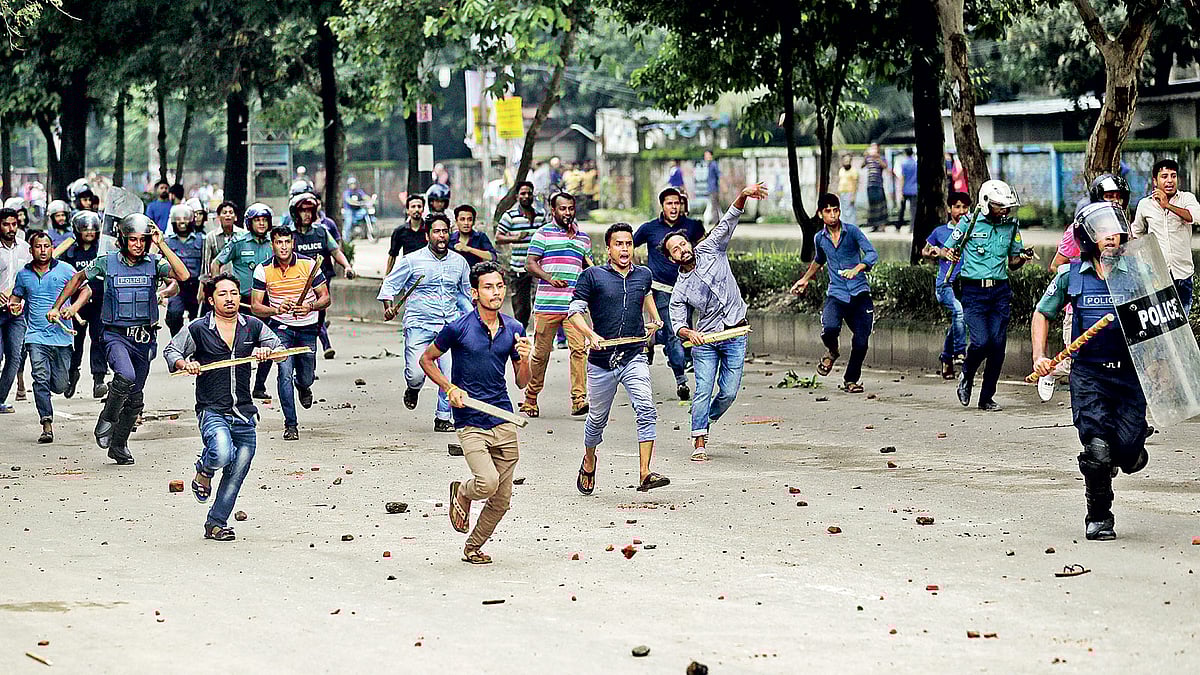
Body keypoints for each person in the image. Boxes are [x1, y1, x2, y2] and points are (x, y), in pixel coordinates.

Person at [1031, 201, 1147, 541]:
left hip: (1129, 375)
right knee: (1097, 451)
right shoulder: (1071, 275)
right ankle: (1099, 517)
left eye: (1115, 231)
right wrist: (1041, 355)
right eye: (1103, 233)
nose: (1112, 238)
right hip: (1090, 376)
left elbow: (1161, 321)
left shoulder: (1138, 273)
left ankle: (1129, 449)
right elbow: (1042, 314)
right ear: (1087, 238)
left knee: (1126, 452)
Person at [49, 213, 191, 465]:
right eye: (133, 239)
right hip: (115, 335)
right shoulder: (106, 262)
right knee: (125, 376)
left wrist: (161, 243)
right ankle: (107, 416)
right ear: (123, 239)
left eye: (142, 240)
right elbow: (77, 280)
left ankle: (119, 445)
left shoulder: (154, 262)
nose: (138, 244)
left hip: (144, 338)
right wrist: (58, 305)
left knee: (135, 398)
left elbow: (183, 276)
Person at [420, 261, 531, 565]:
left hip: (503, 417)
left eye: (499, 286)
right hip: (470, 421)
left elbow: (522, 381)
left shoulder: (514, 329)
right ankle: (463, 493)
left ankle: (473, 547)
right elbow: (427, 359)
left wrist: (525, 360)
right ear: (474, 293)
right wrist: (449, 387)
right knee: (487, 483)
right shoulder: (459, 328)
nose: (495, 292)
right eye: (488, 287)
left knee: (502, 500)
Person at [165, 273, 282, 542]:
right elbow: (172, 351)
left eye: (233, 293)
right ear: (210, 299)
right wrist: (186, 364)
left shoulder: (251, 326)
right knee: (220, 453)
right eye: (222, 294)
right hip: (212, 409)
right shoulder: (198, 329)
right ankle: (204, 470)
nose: (229, 298)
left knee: (235, 474)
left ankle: (216, 523)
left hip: (244, 413)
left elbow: (278, 346)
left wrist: (267, 352)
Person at [664, 184, 769, 461]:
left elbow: (728, 221)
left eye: (683, 244)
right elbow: (677, 321)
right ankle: (699, 438)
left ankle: (702, 418)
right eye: (675, 249)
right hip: (706, 341)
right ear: (671, 258)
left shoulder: (711, 248)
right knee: (703, 389)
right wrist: (690, 333)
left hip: (736, 331)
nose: (681, 250)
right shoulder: (680, 288)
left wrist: (744, 195)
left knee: (729, 393)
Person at [568, 223, 671, 494]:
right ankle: (589, 459)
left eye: (628, 244)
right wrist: (590, 334)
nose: (624, 249)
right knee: (597, 421)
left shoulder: (643, 274)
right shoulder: (592, 276)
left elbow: (646, 294)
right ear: (609, 248)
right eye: (618, 244)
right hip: (602, 362)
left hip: (633, 356)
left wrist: (655, 318)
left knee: (647, 409)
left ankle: (645, 473)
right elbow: (575, 311)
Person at [1040, 174, 1131, 399]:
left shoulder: (1123, 227)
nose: (1114, 202)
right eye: (1109, 196)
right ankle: (1052, 371)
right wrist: (1083, 279)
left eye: (1119, 197)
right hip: (1081, 307)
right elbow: (1056, 265)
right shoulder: (1078, 229)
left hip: (1117, 304)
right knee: (1080, 361)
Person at [378, 214, 472, 432]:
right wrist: (388, 307)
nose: (441, 236)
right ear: (427, 234)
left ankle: (442, 417)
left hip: (448, 327)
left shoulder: (459, 263)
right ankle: (413, 388)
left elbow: (468, 294)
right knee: (416, 373)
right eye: (436, 232)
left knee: (449, 374)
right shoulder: (412, 260)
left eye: (445, 231)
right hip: (418, 325)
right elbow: (390, 285)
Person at [947, 179, 1033, 411]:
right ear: (986, 203)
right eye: (999, 206)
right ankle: (966, 374)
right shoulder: (969, 222)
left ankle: (986, 397)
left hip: (1000, 291)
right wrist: (950, 255)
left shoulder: (1011, 226)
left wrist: (1022, 258)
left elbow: (1013, 262)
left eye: (1006, 206)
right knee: (981, 341)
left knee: (997, 345)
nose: (1004, 210)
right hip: (973, 291)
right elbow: (948, 248)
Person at [791, 194, 879, 393]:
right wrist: (805, 279)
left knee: (861, 341)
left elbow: (872, 254)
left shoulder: (853, 232)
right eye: (828, 211)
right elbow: (819, 260)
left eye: (836, 210)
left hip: (860, 293)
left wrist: (858, 268)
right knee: (829, 329)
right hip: (837, 294)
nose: (833, 215)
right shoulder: (819, 239)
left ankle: (851, 380)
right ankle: (833, 351)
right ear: (821, 214)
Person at [251, 227, 330, 441]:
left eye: (287, 242)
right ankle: (291, 424)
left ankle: (303, 386)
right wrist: (276, 309)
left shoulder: (309, 264)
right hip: (280, 328)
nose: (283, 246)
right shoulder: (263, 270)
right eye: (279, 242)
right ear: (272, 245)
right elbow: (256, 306)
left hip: (307, 328)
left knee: (306, 375)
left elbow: (326, 298)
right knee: (284, 372)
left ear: (292, 243)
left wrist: (311, 306)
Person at [8, 231, 85, 442]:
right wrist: (14, 307)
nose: (43, 250)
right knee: (40, 378)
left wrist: (74, 307)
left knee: (60, 385)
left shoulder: (66, 270)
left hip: (62, 336)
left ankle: (67, 378)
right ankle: (46, 423)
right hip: (35, 336)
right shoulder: (23, 275)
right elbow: (16, 298)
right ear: (31, 250)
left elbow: (86, 291)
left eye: (46, 246)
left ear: (52, 248)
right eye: (38, 247)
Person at [522, 192, 592, 418]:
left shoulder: (583, 238)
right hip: (547, 304)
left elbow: (588, 267)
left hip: (574, 307)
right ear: (553, 211)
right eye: (563, 208)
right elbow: (529, 264)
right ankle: (531, 398)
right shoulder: (542, 234)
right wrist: (549, 277)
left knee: (579, 350)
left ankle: (579, 399)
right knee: (541, 354)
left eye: (571, 208)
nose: (568, 212)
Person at [633, 188, 705, 400]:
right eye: (669, 204)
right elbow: (632, 245)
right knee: (675, 331)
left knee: (687, 328)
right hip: (662, 289)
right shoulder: (650, 228)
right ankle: (681, 379)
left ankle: (655, 341)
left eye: (676, 203)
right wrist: (639, 268)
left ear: (682, 205)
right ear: (662, 206)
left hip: (689, 288)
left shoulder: (692, 226)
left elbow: (704, 247)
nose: (673, 207)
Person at [211, 203, 275, 398]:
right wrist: (218, 288)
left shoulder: (274, 243)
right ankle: (241, 390)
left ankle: (260, 386)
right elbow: (217, 263)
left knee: (268, 345)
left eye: (265, 220)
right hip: (244, 303)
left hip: (267, 302)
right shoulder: (239, 242)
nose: (262, 224)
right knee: (243, 347)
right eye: (257, 220)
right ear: (249, 223)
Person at [287, 192, 355, 360]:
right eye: (303, 211)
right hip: (296, 286)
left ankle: (309, 360)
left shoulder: (321, 232)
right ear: (296, 213)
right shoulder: (288, 235)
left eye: (310, 211)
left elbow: (335, 250)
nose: (307, 214)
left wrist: (347, 266)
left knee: (318, 318)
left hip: (320, 285)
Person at [58, 211, 115, 399]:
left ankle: (98, 379)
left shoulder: (102, 250)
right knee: (75, 342)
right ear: (77, 230)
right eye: (85, 229)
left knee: (99, 339)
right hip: (76, 306)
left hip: (100, 302)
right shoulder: (70, 252)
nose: (89, 232)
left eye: (92, 229)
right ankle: (71, 374)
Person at [1131, 158, 1199, 315]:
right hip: (1156, 276)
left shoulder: (1187, 199)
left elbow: (1194, 217)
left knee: (1183, 323)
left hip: (1183, 274)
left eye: (1173, 176)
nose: (1169, 180)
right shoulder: (1144, 204)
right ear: (1155, 181)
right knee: (1160, 323)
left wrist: (1167, 205)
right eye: (1164, 176)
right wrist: (1144, 256)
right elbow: (1137, 232)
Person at [921, 191, 970, 380]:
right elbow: (925, 250)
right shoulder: (940, 231)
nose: (961, 211)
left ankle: (945, 358)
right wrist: (937, 252)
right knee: (958, 312)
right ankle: (959, 353)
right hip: (945, 284)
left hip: (965, 284)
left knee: (958, 320)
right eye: (957, 207)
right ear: (949, 209)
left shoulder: (971, 231)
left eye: (965, 207)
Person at [494, 182, 546, 329]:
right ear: (517, 196)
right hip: (519, 268)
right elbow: (498, 238)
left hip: (538, 267)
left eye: (529, 193)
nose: (526, 196)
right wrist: (515, 238)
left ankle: (540, 335)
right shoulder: (510, 216)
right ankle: (520, 336)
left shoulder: (540, 215)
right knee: (521, 306)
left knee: (540, 302)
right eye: (523, 193)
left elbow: (547, 235)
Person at [0, 208, 32, 414]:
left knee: (15, 357)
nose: (11, 229)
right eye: (6, 224)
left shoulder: (25, 248)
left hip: (17, 312)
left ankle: (0, 398)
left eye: (14, 224)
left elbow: (33, 275)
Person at [165, 204, 205, 337]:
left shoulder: (202, 240)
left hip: (196, 286)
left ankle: (196, 349)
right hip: (177, 287)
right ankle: (177, 343)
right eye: (178, 219)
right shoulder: (167, 242)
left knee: (198, 320)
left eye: (185, 218)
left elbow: (206, 263)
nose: (182, 222)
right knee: (174, 314)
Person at [386, 195, 427, 275]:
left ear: (423, 209)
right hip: (408, 271)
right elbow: (392, 255)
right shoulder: (400, 231)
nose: (416, 209)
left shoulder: (429, 230)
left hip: (426, 271)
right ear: (407, 210)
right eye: (413, 207)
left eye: (419, 206)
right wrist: (387, 277)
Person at [203, 201, 242, 275]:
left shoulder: (242, 235)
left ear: (236, 217)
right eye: (224, 212)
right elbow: (207, 263)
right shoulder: (211, 237)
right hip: (219, 280)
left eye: (231, 212)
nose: (228, 215)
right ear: (218, 217)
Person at [863, 143, 890, 232]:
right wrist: (866, 155)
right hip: (870, 185)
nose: (873, 149)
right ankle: (874, 225)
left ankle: (882, 225)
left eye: (875, 147)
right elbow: (862, 165)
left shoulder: (881, 158)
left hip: (879, 185)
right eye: (872, 147)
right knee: (872, 205)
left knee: (881, 205)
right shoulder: (868, 158)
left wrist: (877, 158)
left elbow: (885, 166)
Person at [700, 149, 722, 225]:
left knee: (714, 206)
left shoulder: (713, 164)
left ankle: (716, 222)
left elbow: (719, 175)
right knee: (715, 205)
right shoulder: (709, 165)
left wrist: (723, 186)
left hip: (714, 188)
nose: (705, 157)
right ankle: (718, 221)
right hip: (711, 188)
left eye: (707, 155)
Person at [898, 148, 918, 230]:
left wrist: (900, 190)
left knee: (902, 208)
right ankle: (912, 227)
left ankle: (899, 225)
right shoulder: (916, 164)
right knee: (913, 210)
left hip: (906, 188)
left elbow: (903, 177)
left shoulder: (904, 164)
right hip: (914, 189)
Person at [837, 155, 859, 226]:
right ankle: (844, 225)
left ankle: (852, 226)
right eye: (845, 161)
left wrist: (853, 195)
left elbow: (855, 183)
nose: (846, 162)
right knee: (843, 211)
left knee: (850, 211)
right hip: (842, 193)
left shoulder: (853, 171)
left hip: (850, 193)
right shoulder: (841, 170)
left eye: (848, 161)